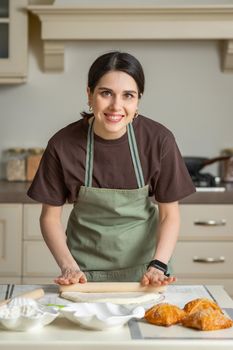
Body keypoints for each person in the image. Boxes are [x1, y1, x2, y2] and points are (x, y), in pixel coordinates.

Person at [27, 51, 195, 286]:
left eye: (128, 95)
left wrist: (158, 265)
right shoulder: (62, 144)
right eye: (106, 93)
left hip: (147, 273)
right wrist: (68, 267)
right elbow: (50, 218)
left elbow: (169, 215)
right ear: (89, 94)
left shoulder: (159, 140)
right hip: (82, 273)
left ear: (138, 100)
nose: (116, 106)